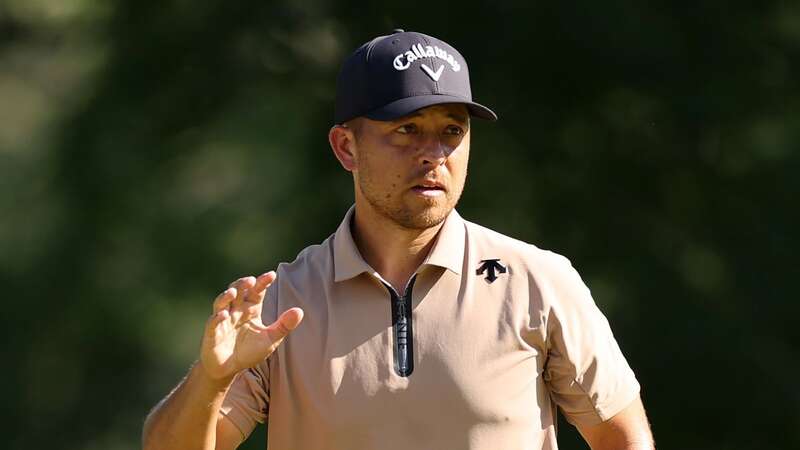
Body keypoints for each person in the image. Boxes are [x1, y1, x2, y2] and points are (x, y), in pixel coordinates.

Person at [142, 29, 655, 450]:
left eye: (452, 131)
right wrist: (210, 382)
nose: (435, 153)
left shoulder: (539, 282)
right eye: (407, 130)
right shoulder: (284, 303)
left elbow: (622, 437)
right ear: (346, 147)